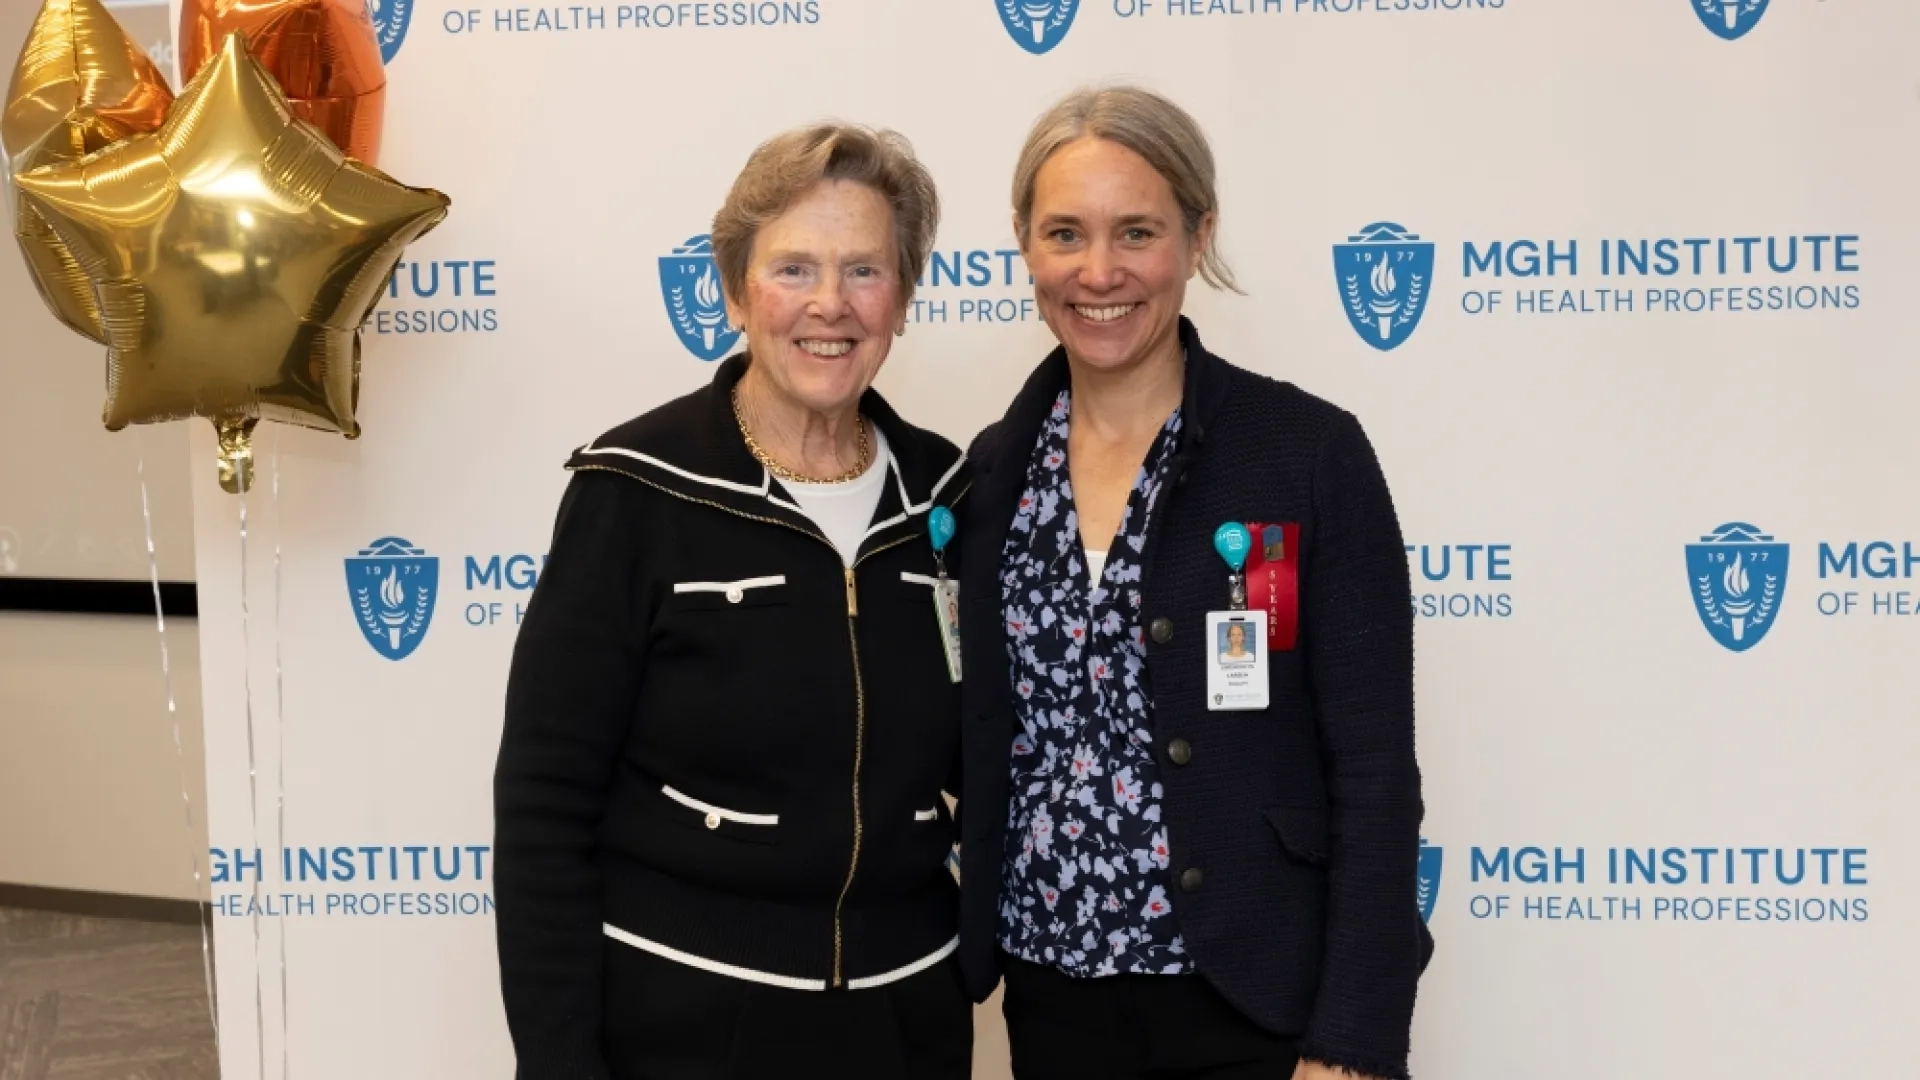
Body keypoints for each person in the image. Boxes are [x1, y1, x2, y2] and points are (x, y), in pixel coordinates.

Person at [954, 85, 1431, 1080]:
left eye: (1137, 231)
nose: (1099, 271)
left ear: (1198, 232)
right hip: (1052, 1001)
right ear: (1023, 244)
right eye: (1064, 234)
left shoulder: (1304, 456)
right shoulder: (992, 474)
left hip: (1253, 1003)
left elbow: (1377, 771)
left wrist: (1352, 1040)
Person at [493, 122, 973, 1080]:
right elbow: (544, 805)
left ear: (905, 297)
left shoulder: (954, 494)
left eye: (865, 271)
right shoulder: (635, 491)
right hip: (686, 1022)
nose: (829, 304)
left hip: (907, 1022)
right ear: (733, 291)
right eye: (793, 267)